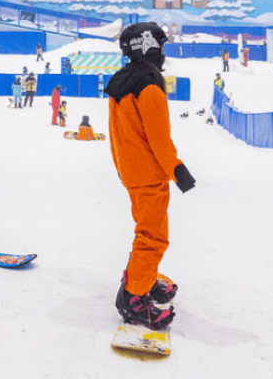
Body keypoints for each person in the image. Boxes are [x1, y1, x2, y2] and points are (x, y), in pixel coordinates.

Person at [106, 22, 195, 331]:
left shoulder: (121, 82)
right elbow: (159, 138)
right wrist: (177, 170)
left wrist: (121, 168)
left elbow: (116, 134)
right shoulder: (150, 85)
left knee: (145, 230)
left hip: (131, 172)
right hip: (149, 174)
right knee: (154, 237)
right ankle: (133, 298)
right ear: (149, 48)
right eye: (161, 46)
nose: (163, 53)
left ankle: (142, 275)